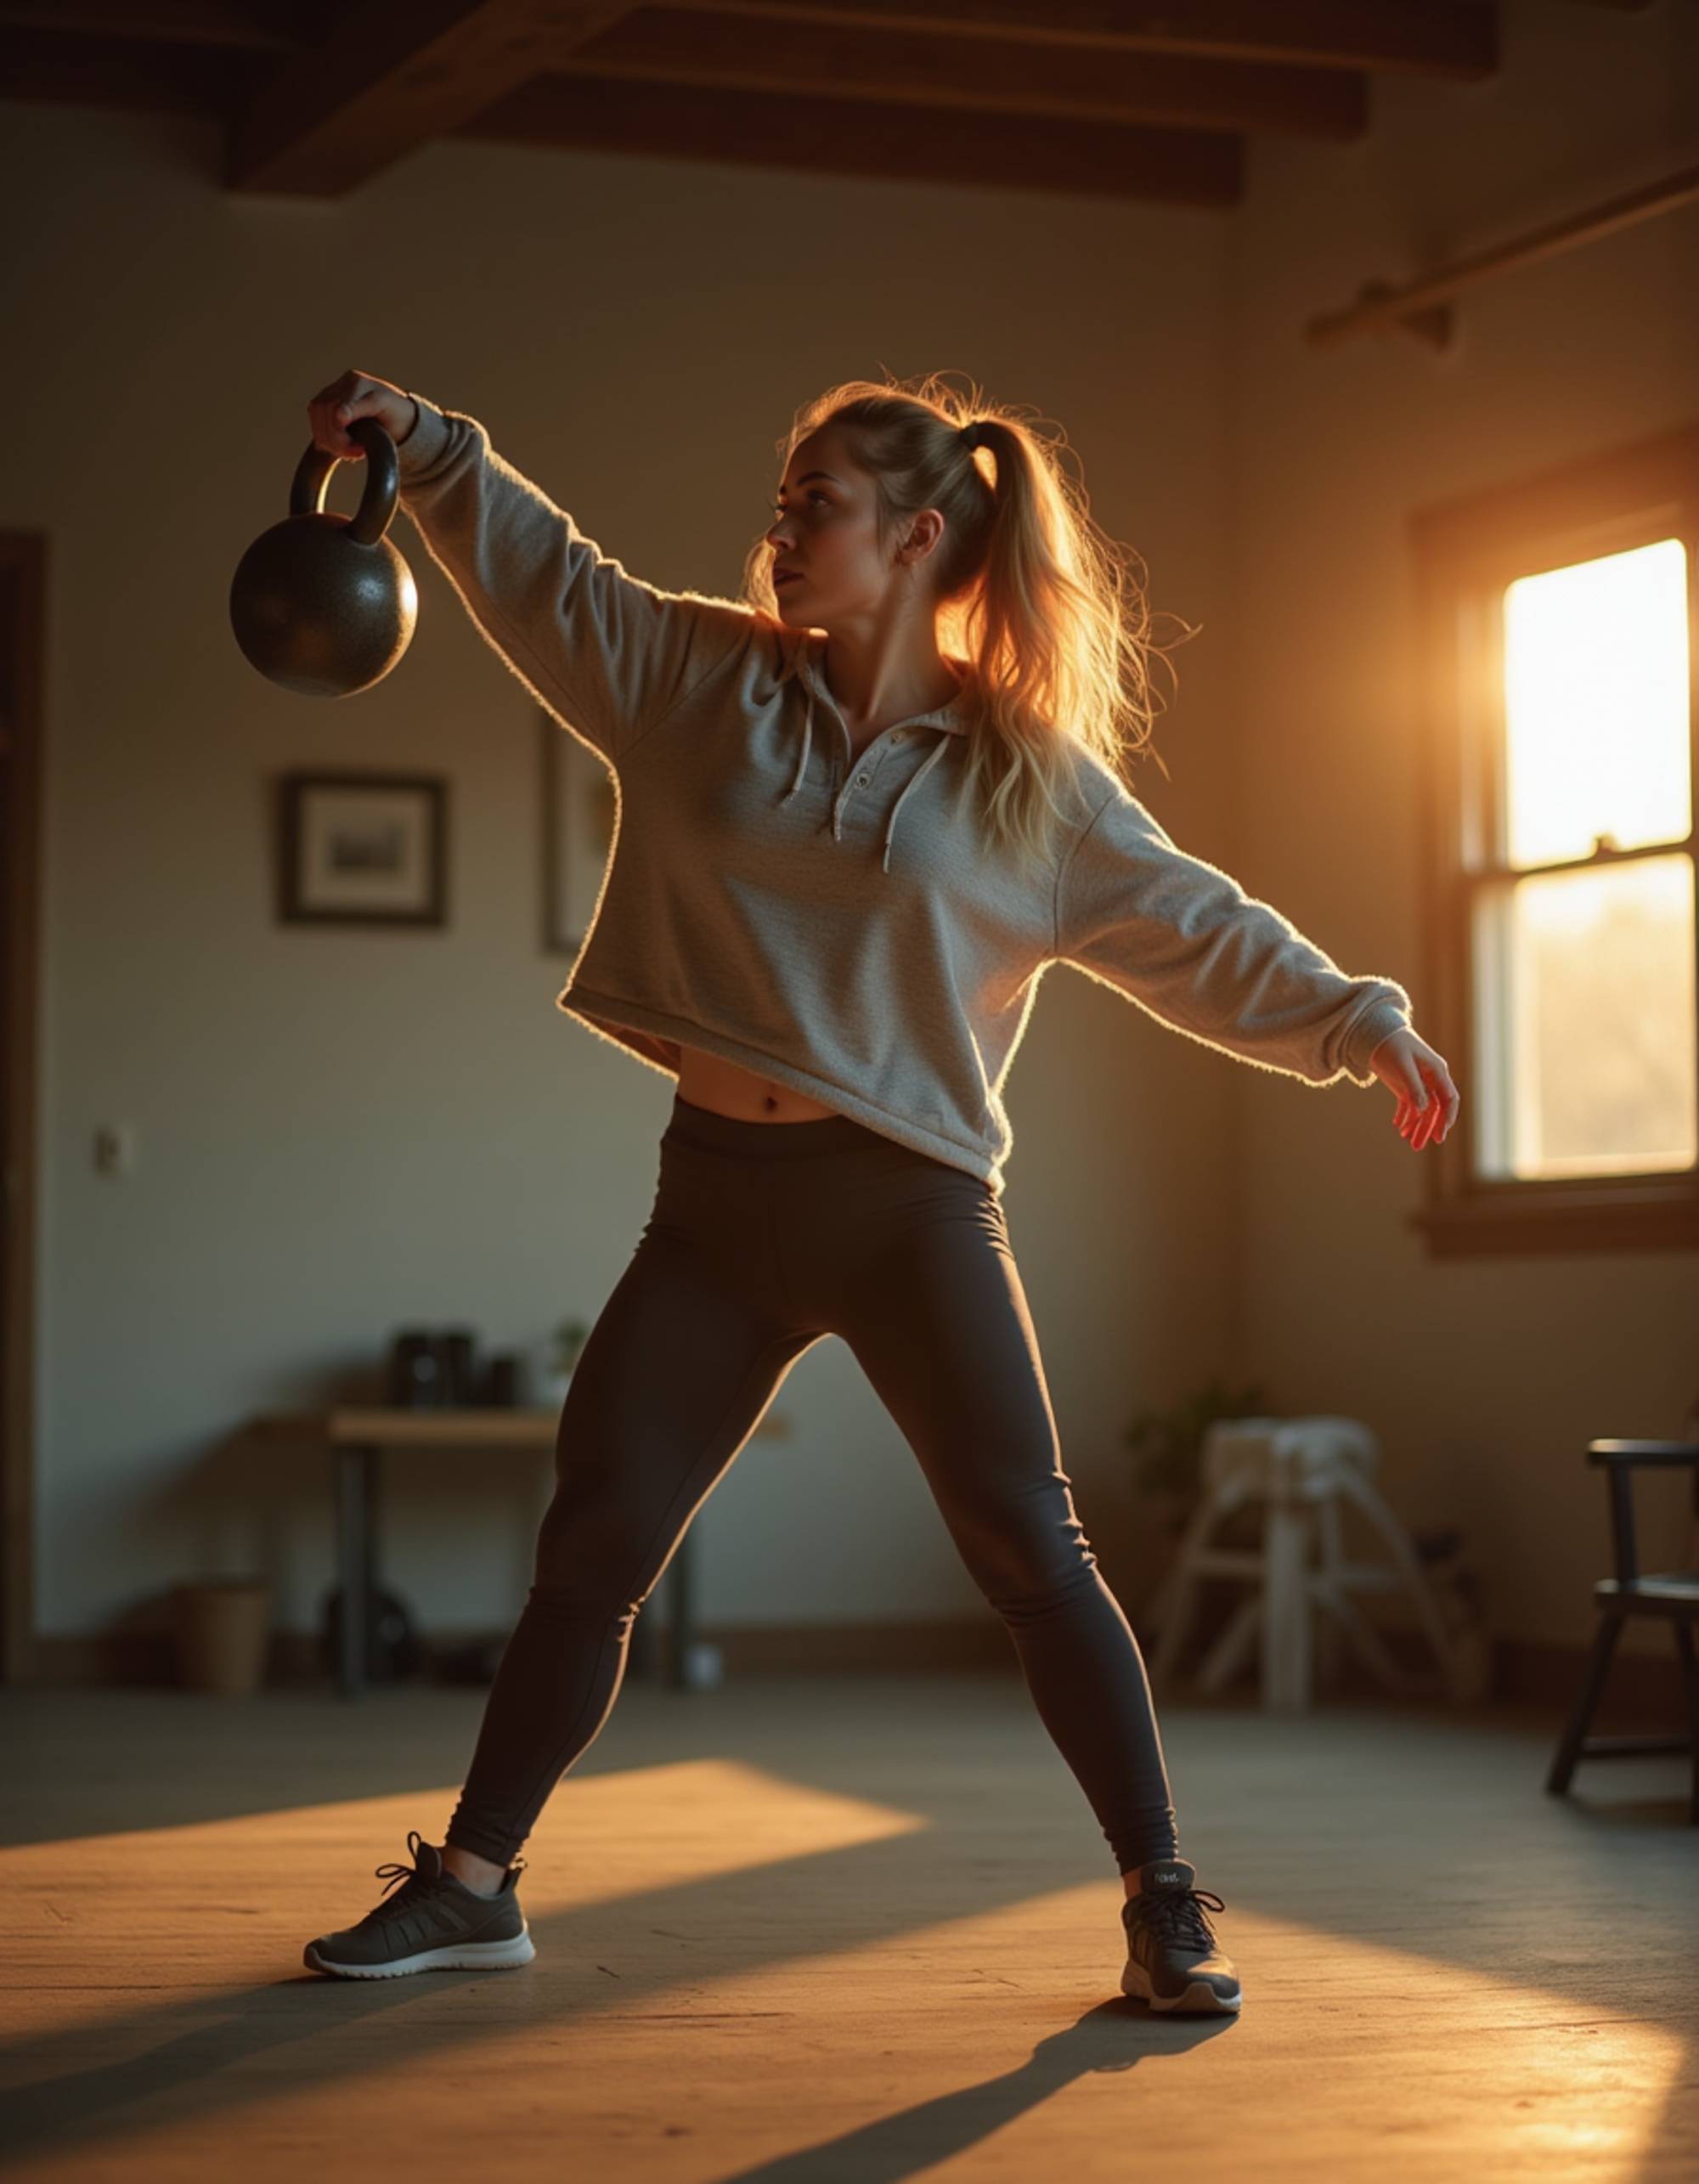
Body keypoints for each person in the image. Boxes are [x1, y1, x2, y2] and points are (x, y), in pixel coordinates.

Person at [297, 365, 1459, 2008]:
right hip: (713, 1205)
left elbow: (1193, 921)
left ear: (916, 538)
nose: (781, 534)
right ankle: (474, 1889)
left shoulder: (1028, 777)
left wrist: (1357, 1022)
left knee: (1031, 1550)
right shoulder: (694, 674)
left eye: (816, 507)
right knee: (595, 1541)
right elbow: (548, 576)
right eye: (781, 505)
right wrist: (424, 444)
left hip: (908, 1209)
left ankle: (1165, 1901)